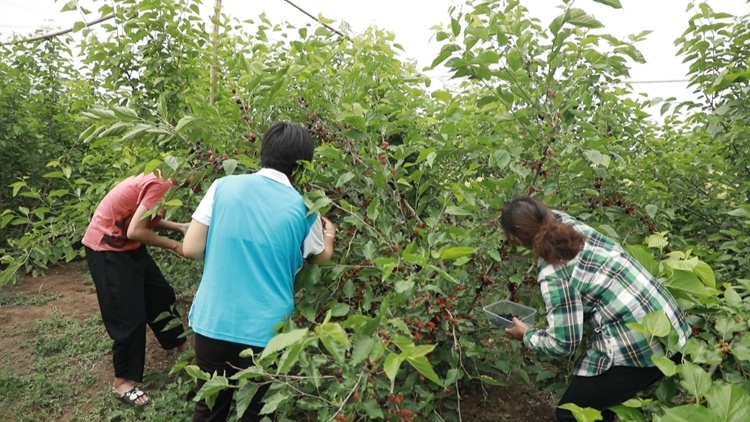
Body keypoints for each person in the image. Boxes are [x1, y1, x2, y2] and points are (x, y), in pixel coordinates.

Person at [182, 121, 335, 422]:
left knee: (209, 408)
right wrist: (329, 233)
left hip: (213, 320)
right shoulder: (305, 209)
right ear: (303, 164)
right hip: (266, 332)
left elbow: (190, 248)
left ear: (263, 151)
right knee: (255, 411)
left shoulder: (222, 186)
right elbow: (321, 257)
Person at [500, 196, 690, 422]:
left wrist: (526, 334)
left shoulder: (554, 275)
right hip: (672, 327)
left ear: (519, 240)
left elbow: (564, 343)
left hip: (641, 348)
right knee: (602, 404)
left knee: (573, 413)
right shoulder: (573, 226)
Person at [82, 172, 190, 407]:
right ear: (187, 168)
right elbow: (135, 231)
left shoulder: (165, 181)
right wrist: (177, 246)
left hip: (129, 247)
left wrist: (179, 227)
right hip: (106, 250)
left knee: (161, 296)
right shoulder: (162, 184)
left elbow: (141, 218)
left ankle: (181, 348)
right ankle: (122, 382)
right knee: (127, 315)